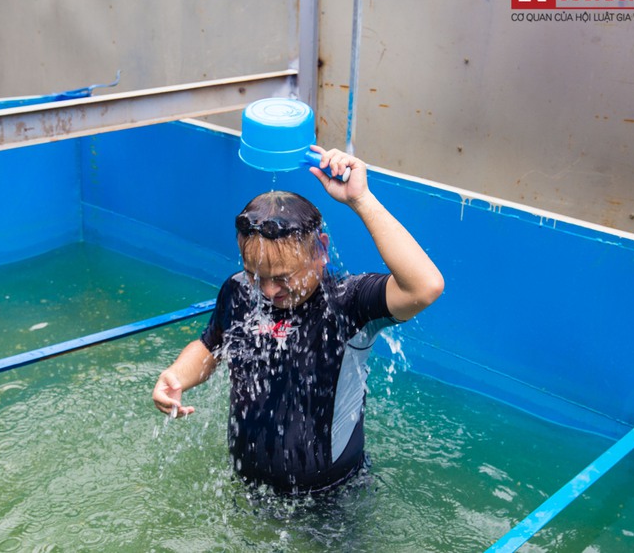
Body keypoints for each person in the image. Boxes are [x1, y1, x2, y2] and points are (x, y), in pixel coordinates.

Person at [152, 146, 444, 494]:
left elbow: (424, 287)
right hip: (248, 487)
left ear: (320, 249)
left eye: (283, 277)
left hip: (330, 498)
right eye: (255, 275)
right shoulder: (238, 289)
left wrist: (361, 199)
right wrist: (176, 376)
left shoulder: (348, 303)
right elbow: (212, 346)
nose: (268, 291)